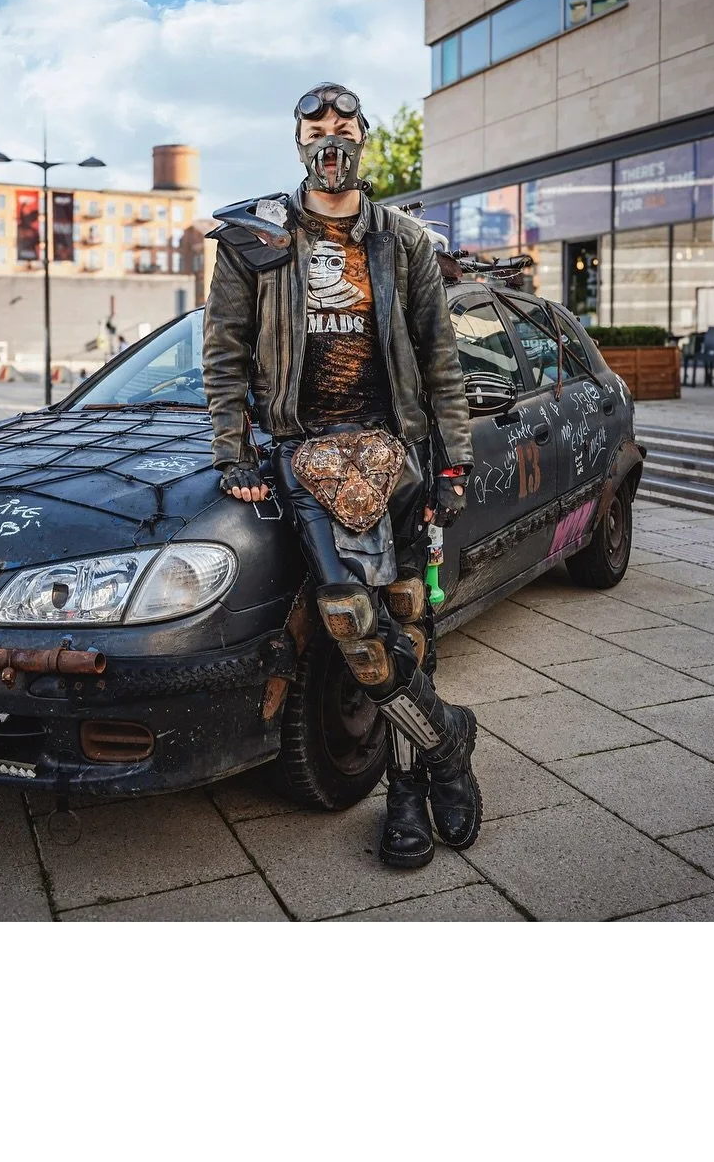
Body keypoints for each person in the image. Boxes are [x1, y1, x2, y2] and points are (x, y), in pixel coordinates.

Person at [202, 83, 481, 868]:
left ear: (363, 138)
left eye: (345, 126)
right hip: (305, 451)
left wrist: (453, 459)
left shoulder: (401, 240)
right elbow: (223, 357)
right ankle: (447, 739)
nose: (332, 137)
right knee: (353, 624)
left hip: (396, 450)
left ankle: (408, 795)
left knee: (404, 619)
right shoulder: (253, 239)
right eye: (316, 126)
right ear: (297, 142)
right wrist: (234, 453)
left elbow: (440, 359)